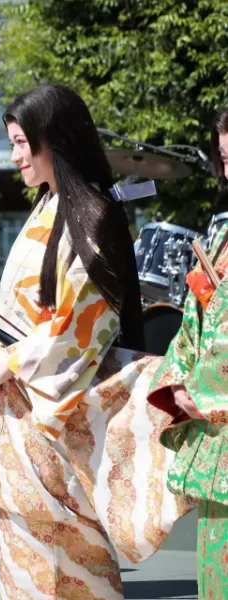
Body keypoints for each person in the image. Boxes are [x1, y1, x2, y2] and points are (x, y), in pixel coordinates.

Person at [0, 85, 192, 599]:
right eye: (14, 143)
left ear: (56, 140)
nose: (16, 155)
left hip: (52, 412)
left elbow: (87, 317)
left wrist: (10, 363)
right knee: (24, 557)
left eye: (24, 142)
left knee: (70, 557)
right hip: (25, 409)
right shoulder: (47, 207)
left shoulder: (92, 209)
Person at [146, 107, 228, 598]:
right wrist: (181, 379)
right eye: (225, 157)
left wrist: (210, 393)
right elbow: (196, 319)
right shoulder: (221, 232)